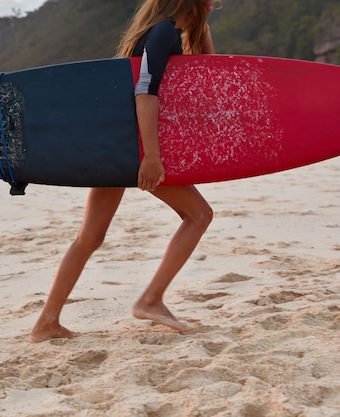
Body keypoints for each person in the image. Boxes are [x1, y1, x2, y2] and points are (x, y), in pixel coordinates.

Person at [30, 0, 219, 343]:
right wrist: (150, 157)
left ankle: (46, 323)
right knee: (199, 214)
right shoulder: (162, 34)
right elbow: (145, 91)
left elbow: (208, 74)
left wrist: (201, 27)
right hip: (131, 149)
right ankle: (151, 299)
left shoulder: (162, 33)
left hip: (111, 145)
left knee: (89, 238)